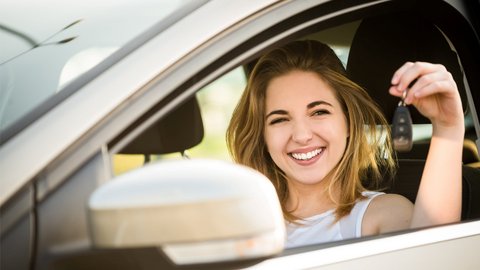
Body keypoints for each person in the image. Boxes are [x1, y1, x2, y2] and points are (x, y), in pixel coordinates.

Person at [226, 40, 464, 248]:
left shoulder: (380, 216)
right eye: (279, 119)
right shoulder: (235, 222)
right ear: (262, 135)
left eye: (319, 112)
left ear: (348, 122)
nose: (301, 135)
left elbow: (429, 258)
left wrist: (448, 129)